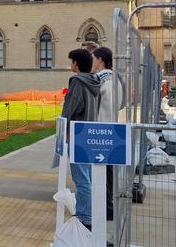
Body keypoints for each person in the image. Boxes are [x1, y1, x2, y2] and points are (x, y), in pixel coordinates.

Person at [62, 48, 101, 230]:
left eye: (72, 62)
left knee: (82, 178)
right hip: (88, 133)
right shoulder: (94, 82)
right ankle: (89, 213)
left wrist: (62, 127)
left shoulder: (77, 83)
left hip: (77, 135)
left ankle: (85, 218)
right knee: (88, 177)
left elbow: (70, 110)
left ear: (76, 64)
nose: (71, 65)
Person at [93, 46, 124, 222]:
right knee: (109, 171)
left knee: (99, 171)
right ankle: (108, 206)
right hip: (111, 128)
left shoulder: (99, 79)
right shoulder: (116, 79)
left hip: (98, 131)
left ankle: (104, 208)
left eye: (94, 58)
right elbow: (119, 105)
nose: (92, 61)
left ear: (100, 60)